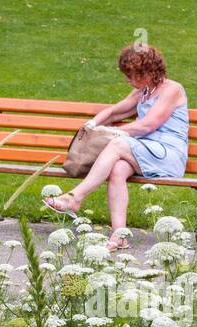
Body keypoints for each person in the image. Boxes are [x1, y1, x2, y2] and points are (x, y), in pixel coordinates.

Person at [43, 44, 188, 251]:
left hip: (168, 155)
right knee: (118, 169)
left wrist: (113, 133)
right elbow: (113, 112)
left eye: (130, 75)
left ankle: (74, 198)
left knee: (118, 144)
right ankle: (120, 235)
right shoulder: (143, 92)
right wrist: (92, 125)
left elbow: (148, 125)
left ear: (146, 72)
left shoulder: (172, 90)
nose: (127, 80)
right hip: (145, 151)